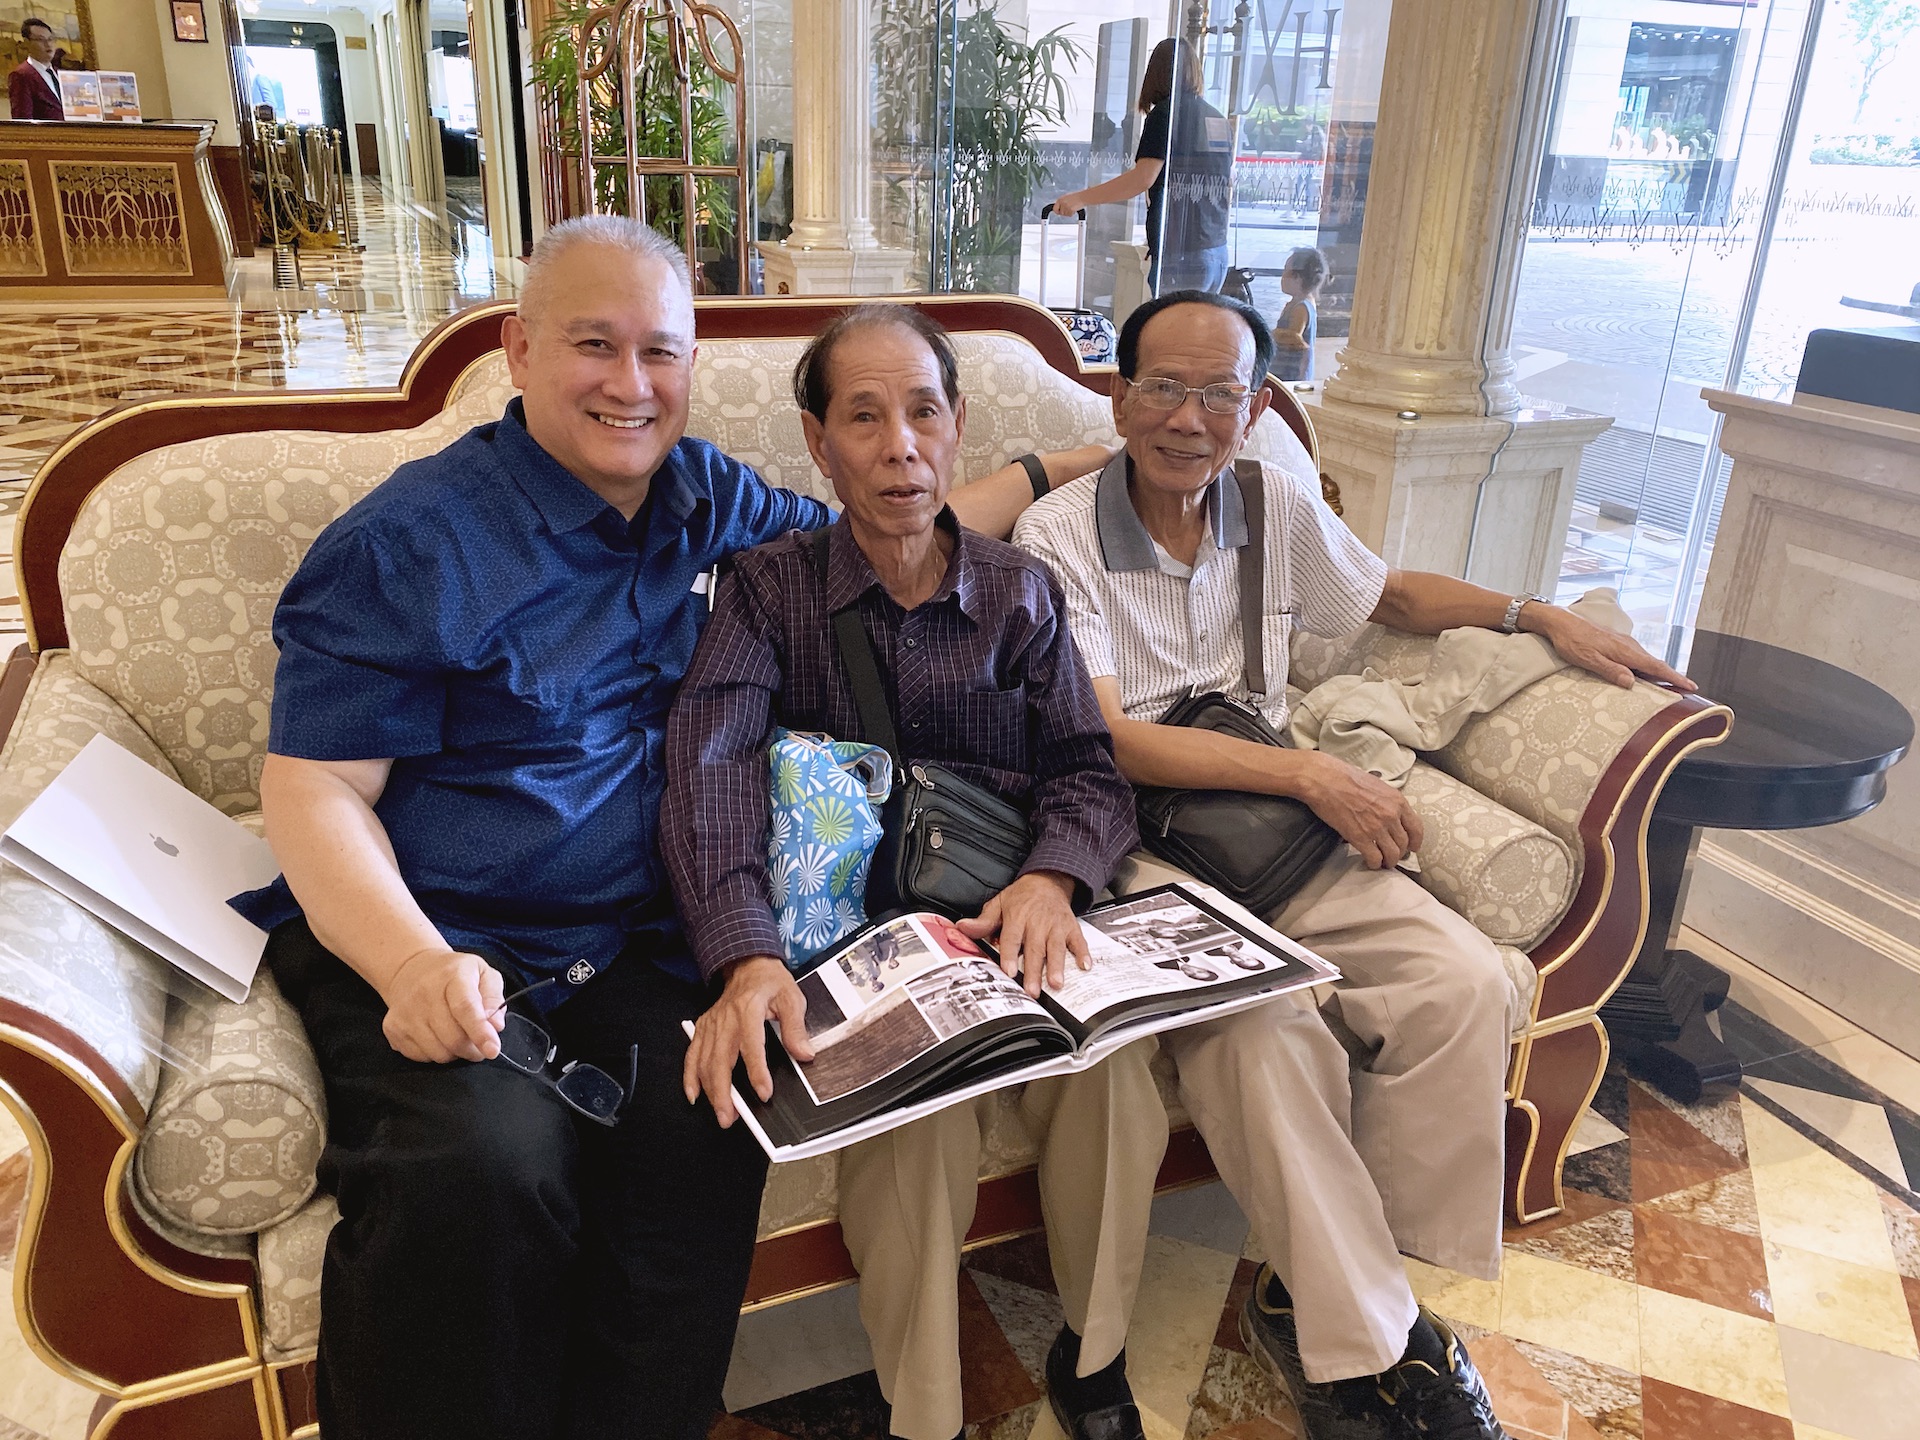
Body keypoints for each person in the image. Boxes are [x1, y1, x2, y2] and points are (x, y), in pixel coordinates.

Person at [230, 216, 1111, 1440]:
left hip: (645, 946)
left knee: (711, 1125)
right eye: (596, 345)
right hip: (451, 940)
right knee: (486, 1172)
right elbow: (314, 789)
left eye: (662, 350)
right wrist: (409, 962)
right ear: (518, 350)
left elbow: (895, 512)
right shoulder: (408, 544)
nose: (632, 385)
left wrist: (1080, 459)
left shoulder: (720, 505)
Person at [1014, 289, 1695, 1440]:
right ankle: (1377, 1351)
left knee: (1468, 984)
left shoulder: (1272, 503)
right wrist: (1311, 777)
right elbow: (1112, 736)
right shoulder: (1058, 535)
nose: (1190, 417)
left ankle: (1307, 1292)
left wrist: (1539, 614)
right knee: (1260, 1031)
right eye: (1164, 388)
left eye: (1221, 391)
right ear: (1118, 396)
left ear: (1258, 403)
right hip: (1139, 835)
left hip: (1274, 829)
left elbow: (1390, 596)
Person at [665, 304, 1164, 1440]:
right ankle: (925, 1416)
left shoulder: (1017, 592)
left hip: (1005, 915)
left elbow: (1088, 768)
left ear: (958, 426)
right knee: (916, 1115)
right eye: (865, 417)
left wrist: (1051, 879)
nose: (901, 446)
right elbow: (712, 771)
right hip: (858, 938)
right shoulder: (764, 592)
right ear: (818, 441)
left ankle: (1095, 1362)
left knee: (1114, 1077)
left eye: (924, 413)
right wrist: (744, 956)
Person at [1050, 37, 1233, 294]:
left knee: (1170, 330)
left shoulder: (1165, 114)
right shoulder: (1216, 118)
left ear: (1155, 73)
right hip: (1215, 250)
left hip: (1181, 252)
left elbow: (1143, 178)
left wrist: (1080, 198)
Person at [1272, 246, 1325, 384]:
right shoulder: (1302, 302)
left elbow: (1295, 337)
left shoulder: (1300, 308)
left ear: (1298, 278)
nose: (1282, 277)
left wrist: (1270, 334)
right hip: (1287, 371)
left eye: (1286, 271)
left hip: (1292, 374)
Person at [8, 19, 64, 121]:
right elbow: (23, 119)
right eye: (41, 39)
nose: (48, 44)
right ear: (27, 43)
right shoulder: (21, 75)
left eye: (51, 39)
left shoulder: (60, 73)